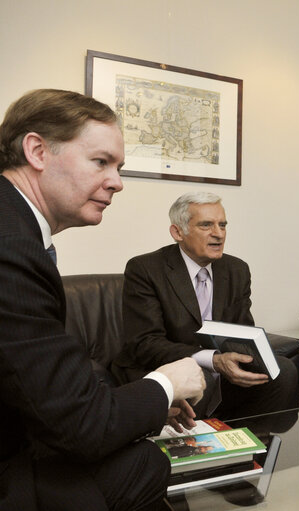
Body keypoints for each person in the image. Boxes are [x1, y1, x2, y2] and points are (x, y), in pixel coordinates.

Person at [0, 89, 205, 510]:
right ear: (37, 150)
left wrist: (141, 405)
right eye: (101, 162)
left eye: (119, 166)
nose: (118, 182)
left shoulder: (16, 229)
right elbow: (79, 424)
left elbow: (38, 387)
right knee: (145, 462)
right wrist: (166, 384)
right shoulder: (11, 247)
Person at [112, 192, 298, 422]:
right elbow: (146, 344)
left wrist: (251, 358)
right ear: (178, 232)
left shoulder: (236, 270)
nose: (218, 234)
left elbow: (242, 330)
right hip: (165, 368)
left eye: (222, 225)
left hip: (221, 372)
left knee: (283, 371)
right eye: (206, 225)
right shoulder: (145, 269)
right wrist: (212, 360)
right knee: (198, 378)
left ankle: (254, 445)